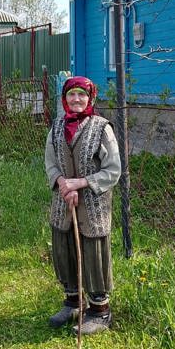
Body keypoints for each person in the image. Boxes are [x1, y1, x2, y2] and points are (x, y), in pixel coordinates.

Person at [44, 76, 122, 335]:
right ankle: (73, 303)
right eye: (71, 95)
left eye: (82, 95)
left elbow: (113, 170)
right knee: (64, 252)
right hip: (63, 202)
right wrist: (62, 184)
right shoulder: (56, 127)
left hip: (93, 206)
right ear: (64, 98)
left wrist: (81, 183)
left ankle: (100, 311)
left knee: (94, 255)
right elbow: (50, 163)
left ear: (90, 98)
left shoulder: (102, 128)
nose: (76, 99)